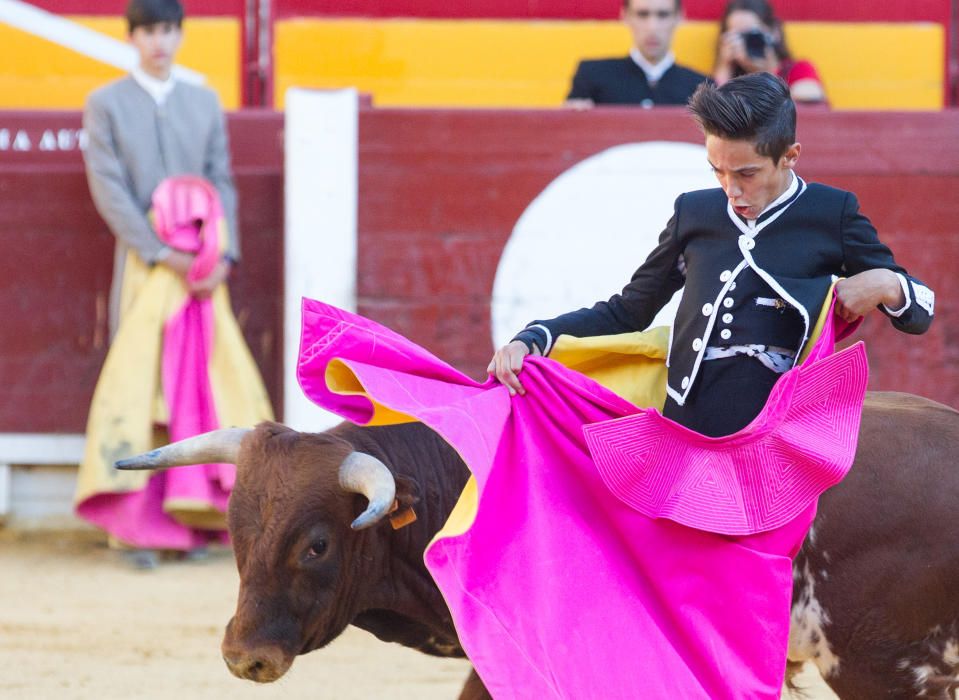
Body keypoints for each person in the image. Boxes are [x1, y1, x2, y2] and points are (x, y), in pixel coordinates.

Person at [490, 72, 933, 438]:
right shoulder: (695, 212)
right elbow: (629, 311)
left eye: (747, 173)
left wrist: (887, 284)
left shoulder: (829, 213)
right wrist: (535, 337)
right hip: (687, 429)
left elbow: (920, 312)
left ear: (790, 157)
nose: (732, 190)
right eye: (717, 170)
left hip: (779, 436)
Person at [74, 0, 273, 568]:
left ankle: (204, 524)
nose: (159, 42)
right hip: (148, 266)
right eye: (148, 32)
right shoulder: (106, 103)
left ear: (179, 35)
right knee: (144, 388)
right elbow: (109, 189)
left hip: (205, 269)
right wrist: (162, 252)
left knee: (206, 384)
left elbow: (220, 181)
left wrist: (221, 255)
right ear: (132, 38)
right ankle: (139, 530)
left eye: (167, 30)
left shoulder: (202, 100)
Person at [566, 0, 709, 108]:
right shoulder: (592, 76)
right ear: (625, 16)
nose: (652, 27)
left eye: (663, 15)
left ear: (679, 17)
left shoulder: (702, 88)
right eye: (642, 14)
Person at [713, 0, 826, 103]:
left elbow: (811, 97)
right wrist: (724, 68)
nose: (744, 44)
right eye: (737, 37)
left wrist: (767, 72)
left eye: (752, 35)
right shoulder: (730, 79)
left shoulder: (798, 70)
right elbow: (715, 111)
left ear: (774, 32)